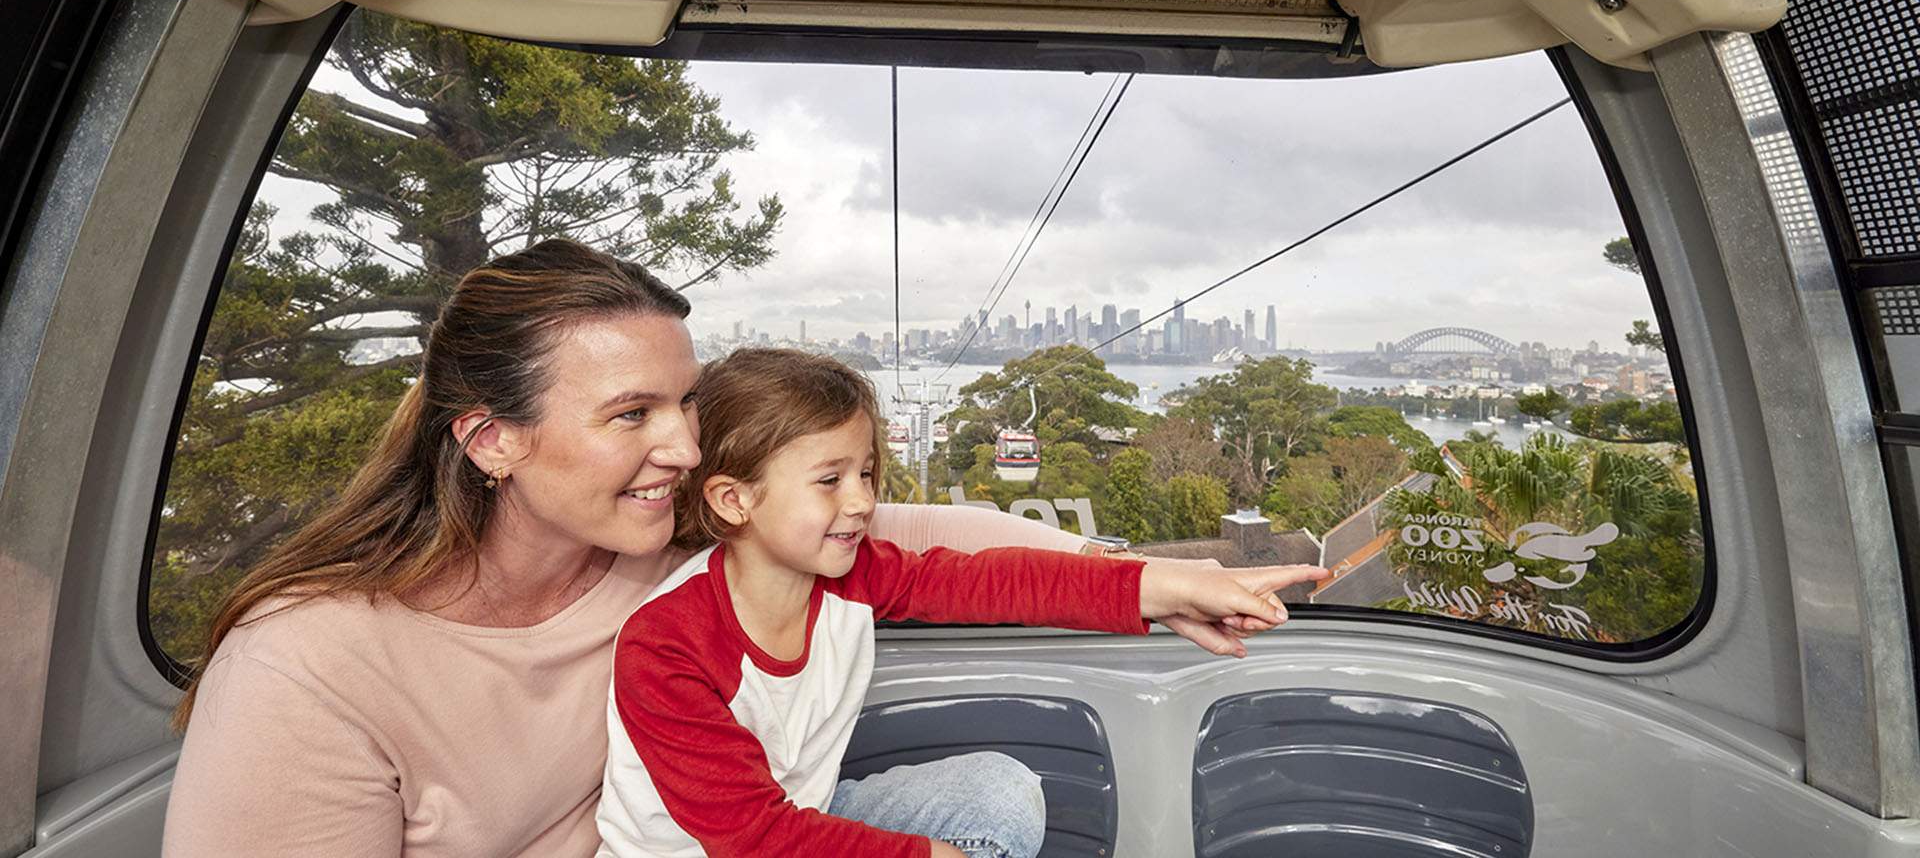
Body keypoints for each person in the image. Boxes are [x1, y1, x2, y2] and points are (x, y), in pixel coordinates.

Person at [162, 239, 1317, 857]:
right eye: (631, 417)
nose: (682, 446)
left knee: (993, 797)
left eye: (687, 405)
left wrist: (1164, 581)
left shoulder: (665, 548)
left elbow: (940, 549)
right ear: (493, 441)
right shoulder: (305, 673)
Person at [595, 350, 1325, 858]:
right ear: (734, 498)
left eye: (868, 472)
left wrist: (1165, 586)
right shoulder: (668, 644)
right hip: (723, 850)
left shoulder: (851, 576)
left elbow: (991, 580)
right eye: (829, 480)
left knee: (998, 793)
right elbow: (755, 842)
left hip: (799, 822)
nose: (862, 501)